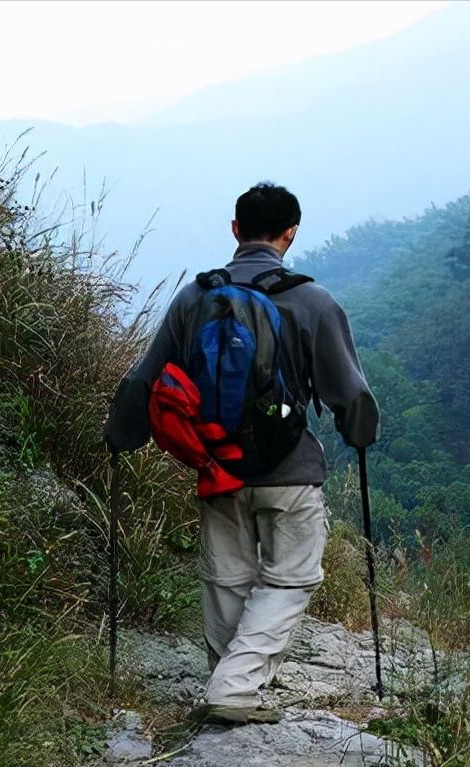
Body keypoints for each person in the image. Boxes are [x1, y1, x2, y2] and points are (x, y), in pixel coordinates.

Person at [104, 182, 379, 725]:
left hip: (216, 464)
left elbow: (145, 378)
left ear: (235, 230)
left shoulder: (195, 297)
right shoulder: (312, 300)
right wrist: (361, 434)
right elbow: (350, 395)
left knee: (226, 576)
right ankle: (234, 687)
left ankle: (228, 685)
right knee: (293, 577)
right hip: (290, 469)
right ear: (290, 233)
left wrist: (121, 434)